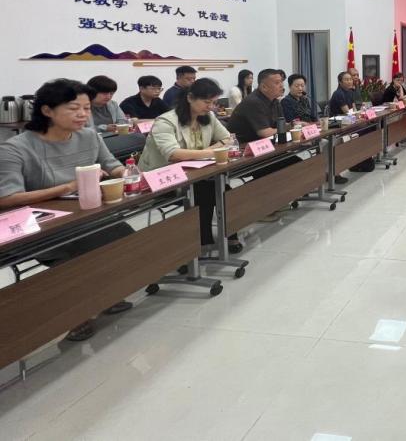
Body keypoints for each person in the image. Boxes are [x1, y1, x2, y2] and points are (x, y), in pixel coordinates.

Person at [0, 79, 133, 341]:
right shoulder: (16, 148)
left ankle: (107, 294)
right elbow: (7, 198)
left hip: (85, 215)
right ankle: (74, 314)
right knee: (74, 259)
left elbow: (111, 164)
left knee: (124, 238)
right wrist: (68, 187)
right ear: (47, 110)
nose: (83, 114)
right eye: (74, 108)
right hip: (41, 227)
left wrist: (126, 173)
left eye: (86, 108)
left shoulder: (89, 136)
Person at [138, 78, 233, 251]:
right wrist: (212, 152)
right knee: (207, 191)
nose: (211, 107)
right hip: (163, 179)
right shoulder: (166, 121)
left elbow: (227, 138)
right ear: (190, 98)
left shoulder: (208, 116)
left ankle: (229, 233)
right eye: (206, 102)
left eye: (213, 102)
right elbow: (174, 154)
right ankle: (202, 242)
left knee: (223, 189)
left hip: (195, 174)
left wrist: (207, 151)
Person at [227, 68, 285, 143]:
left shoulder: (275, 101)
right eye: (277, 83)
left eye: (281, 82)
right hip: (242, 146)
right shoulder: (253, 102)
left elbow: (281, 125)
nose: (281, 86)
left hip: (263, 143)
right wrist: (286, 128)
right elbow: (264, 133)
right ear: (264, 87)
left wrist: (293, 125)